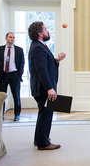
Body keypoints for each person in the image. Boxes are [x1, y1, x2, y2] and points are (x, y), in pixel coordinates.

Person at [28, 21, 66, 150]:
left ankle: (39, 138)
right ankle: (43, 143)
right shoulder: (38, 47)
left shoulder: (39, 45)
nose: (47, 31)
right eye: (45, 29)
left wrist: (56, 60)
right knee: (46, 114)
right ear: (40, 33)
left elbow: (45, 65)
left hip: (42, 88)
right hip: (43, 89)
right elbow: (41, 70)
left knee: (43, 114)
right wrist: (50, 88)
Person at [0, 32, 25, 121]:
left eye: (13, 37)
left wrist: (19, 75)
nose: (12, 39)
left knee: (16, 96)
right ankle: (0, 115)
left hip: (14, 75)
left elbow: (22, 63)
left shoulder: (19, 50)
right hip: (3, 75)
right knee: (1, 96)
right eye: (10, 37)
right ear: (6, 38)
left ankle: (17, 114)